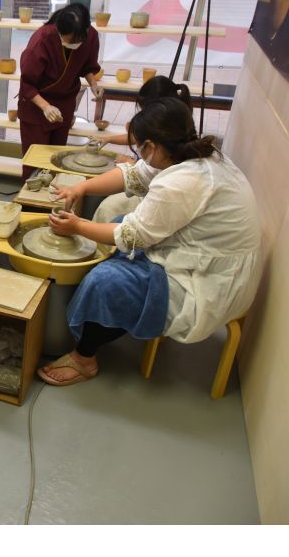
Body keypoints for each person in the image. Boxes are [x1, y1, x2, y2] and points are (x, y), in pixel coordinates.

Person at [37, 97, 262, 386]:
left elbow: (134, 236)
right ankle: (97, 321)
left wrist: (79, 226)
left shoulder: (183, 181)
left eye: (140, 147)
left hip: (209, 281)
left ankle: (84, 359)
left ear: (152, 147)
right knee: (114, 228)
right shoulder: (190, 153)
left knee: (105, 280)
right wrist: (81, 187)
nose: (139, 155)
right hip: (203, 253)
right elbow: (133, 175)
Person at [88, 76, 194, 223]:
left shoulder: (173, 127)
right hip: (154, 182)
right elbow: (138, 144)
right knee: (96, 195)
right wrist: (108, 139)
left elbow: (137, 233)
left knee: (108, 209)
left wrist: (131, 162)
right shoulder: (170, 119)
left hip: (159, 192)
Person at [17, 2, 102, 178]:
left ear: (85, 32)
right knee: (36, 160)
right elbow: (26, 83)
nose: (67, 43)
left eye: (73, 41)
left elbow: (86, 66)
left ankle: (52, 200)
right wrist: (45, 107)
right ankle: (30, 202)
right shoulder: (42, 39)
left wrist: (93, 83)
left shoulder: (91, 36)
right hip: (36, 104)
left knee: (57, 158)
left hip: (64, 103)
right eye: (64, 39)